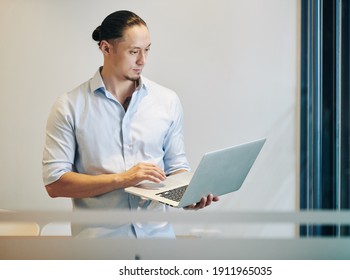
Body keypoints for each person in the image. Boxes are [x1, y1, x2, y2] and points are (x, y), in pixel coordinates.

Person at [42, 10, 218, 238]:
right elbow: (55, 183)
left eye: (147, 50)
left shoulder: (167, 101)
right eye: (134, 52)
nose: (142, 60)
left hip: (158, 245)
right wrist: (123, 178)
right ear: (106, 48)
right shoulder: (69, 106)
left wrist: (189, 195)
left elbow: (176, 166)